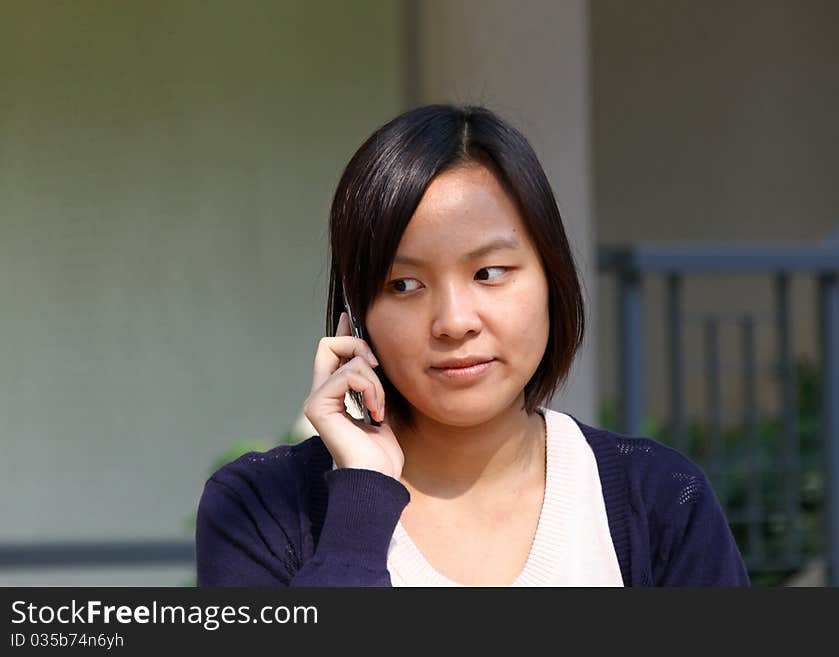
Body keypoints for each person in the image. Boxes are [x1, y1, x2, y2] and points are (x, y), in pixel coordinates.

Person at [195, 104, 749, 587]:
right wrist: (360, 500)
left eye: (489, 272)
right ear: (357, 318)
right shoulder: (260, 506)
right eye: (404, 285)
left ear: (552, 280)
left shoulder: (658, 500)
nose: (454, 322)